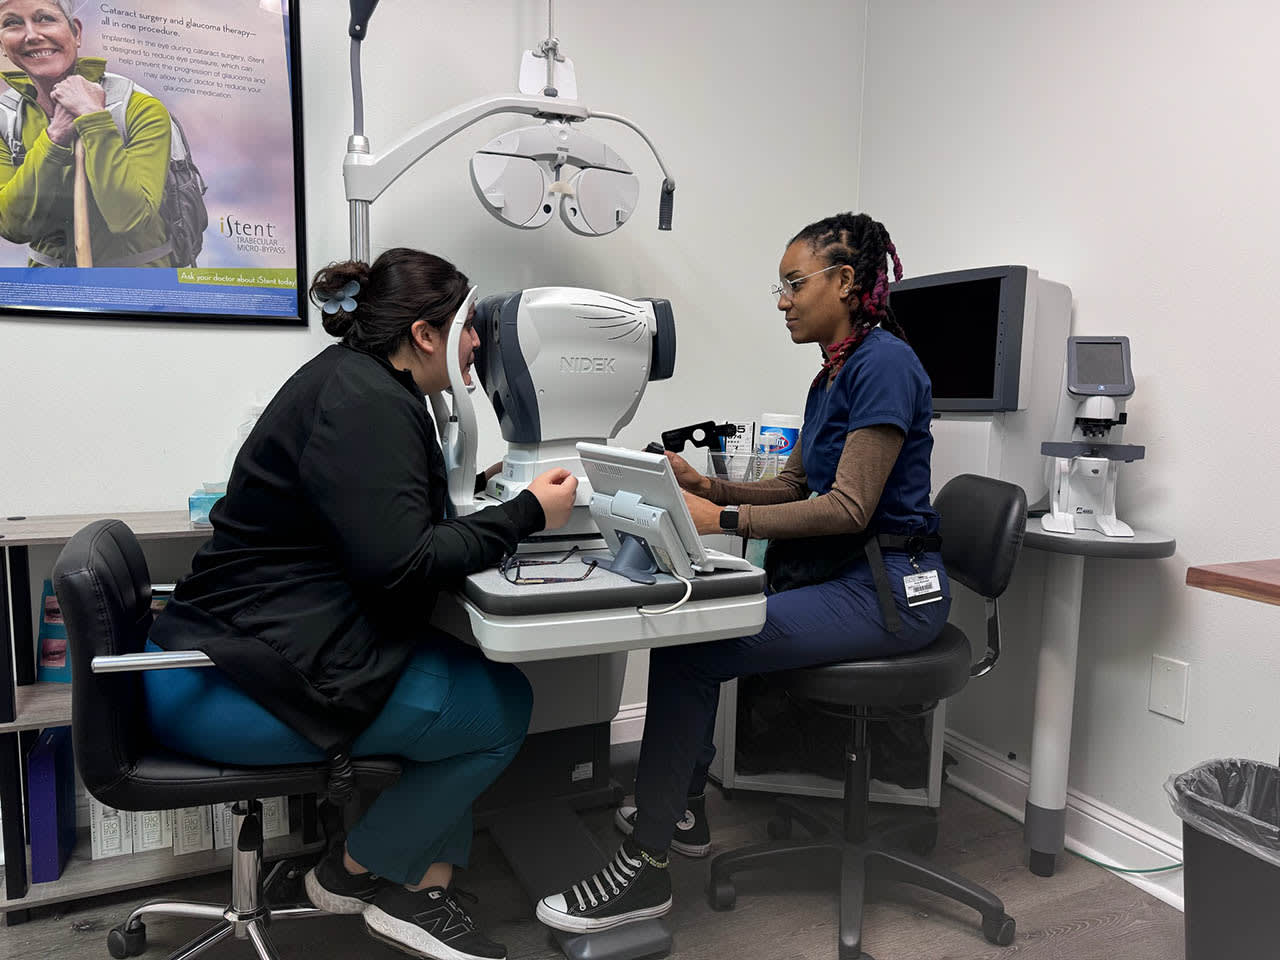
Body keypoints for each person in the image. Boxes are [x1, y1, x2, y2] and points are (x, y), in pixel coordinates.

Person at [145, 248, 580, 960]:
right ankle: (354, 872)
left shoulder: (358, 382)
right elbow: (400, 563)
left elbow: (384, 514)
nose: (479, 342)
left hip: (236, 647)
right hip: (236, 684)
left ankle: (424, 886)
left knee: (476, 680)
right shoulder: (368, 403)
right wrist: (528, 514)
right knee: (498, 711)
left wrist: (494, 496)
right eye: (470, 326)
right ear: (424, 334)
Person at [536, 212, 952, 933]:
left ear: (844, 281)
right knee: (693, 635)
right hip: (848, 579)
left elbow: (848, 508)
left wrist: (721, 520)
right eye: (779, 287)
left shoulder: (884, 365)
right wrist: (705, 486)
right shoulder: (834, 372)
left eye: (794, 283)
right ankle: (683, 810)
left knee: (691, 649)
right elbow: (793, 487)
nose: (782, 301)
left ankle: (646, 866)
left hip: (890, 591)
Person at [0, 0, 174, 266]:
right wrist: (55, 136)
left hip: (137, 287)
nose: (32, 35)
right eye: (12, 23)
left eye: (45, 18)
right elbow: (13, 227)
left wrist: (94, 119)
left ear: (76, 32)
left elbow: (128, 219)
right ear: (2, 45)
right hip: (48, 288)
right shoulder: (5, 119)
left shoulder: (139, 109)